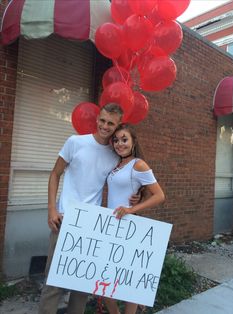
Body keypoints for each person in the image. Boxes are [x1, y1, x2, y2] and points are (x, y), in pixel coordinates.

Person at [38, 103, 139, 314]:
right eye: (102, 120)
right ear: (97, 119)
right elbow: (55, 174)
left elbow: (125, 180)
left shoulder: (115, 155)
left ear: (117, 125)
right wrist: (51, 210)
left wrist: (135, 197)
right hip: (65, 219)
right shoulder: (75, 142)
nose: (105, 126)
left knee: (82, 286)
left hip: (91, 225)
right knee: (53, 284)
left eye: (110, 123)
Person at [104, 123, 165, 314]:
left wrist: (132, 209)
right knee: (104, 282)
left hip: (128, 227)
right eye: (116, 140)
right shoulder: (116, 164)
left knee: (129, 282)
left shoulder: (138, 164)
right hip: (110, 226)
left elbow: (159, 195)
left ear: (133, 142)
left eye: (124, 139)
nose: (119, 144)